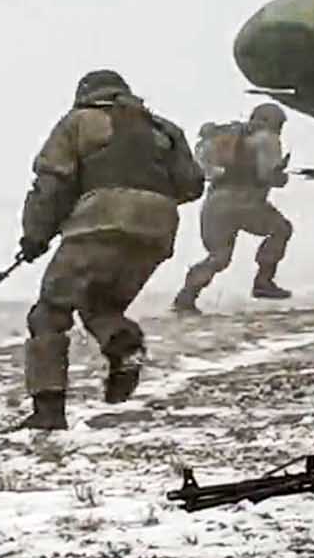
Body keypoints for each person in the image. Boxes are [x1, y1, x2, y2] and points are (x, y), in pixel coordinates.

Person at [15, 70, 204, 430]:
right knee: (101, 305)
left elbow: (53, 183)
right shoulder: (163, 129)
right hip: (157, 230)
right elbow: (192, 185)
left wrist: (35, 235)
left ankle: (48, 412)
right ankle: (124, 346)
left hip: (99, 224)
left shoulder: (78, 122)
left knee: (49, 315)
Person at [173, 102, 294, 312]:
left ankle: (187, 296)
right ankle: (263, 281)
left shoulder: (222, 138)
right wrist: (281, 177)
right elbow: (266, 175)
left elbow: (204, 170)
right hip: (245, 202)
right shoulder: (267, 139)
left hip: (214, 204)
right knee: (281, 229)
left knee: (219, 256)